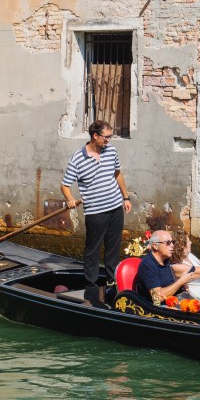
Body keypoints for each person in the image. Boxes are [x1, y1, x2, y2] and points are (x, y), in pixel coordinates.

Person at [61, 120, 131, 297]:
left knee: (113, 247)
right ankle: (91, 285)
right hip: (95, 211)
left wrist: (126, 197)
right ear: (95, 136)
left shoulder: (111, 151)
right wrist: (70, 199)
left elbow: (117, 174)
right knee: (92, 249)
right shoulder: (78, 157)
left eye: (110, 137)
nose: (109, 140)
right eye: (106, 137)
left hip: (115, 207)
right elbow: (65, 185)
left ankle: (112, 281)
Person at [133, 230, 196, 304]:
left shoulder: (166, 261)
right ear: (155, 246)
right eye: (168, 243)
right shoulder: (147, 265)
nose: (172, 245)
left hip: (173, 301)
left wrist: (182, 284)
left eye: (173, 242)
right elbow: (157, 298)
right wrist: (181, 281)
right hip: (155, 309)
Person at [169, 231, 200, 299]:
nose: (191, 243)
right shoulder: (176, 266)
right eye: (189, 241)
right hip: (195, 298)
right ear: (182, 245)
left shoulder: (190, 256)